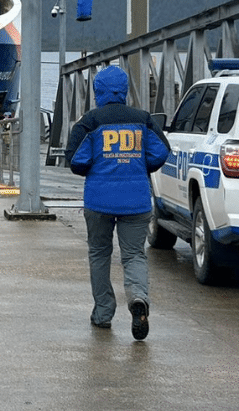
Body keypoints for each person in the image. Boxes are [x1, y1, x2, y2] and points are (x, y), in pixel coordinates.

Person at [65, 65, 169, 340]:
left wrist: (96, 168)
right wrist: (140, 166)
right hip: (135, 200)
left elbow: (75, 159)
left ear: (98, 91)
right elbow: (161, 151)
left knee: (99, 254)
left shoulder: (91, 121)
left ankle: (102, 313)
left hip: (99, 200)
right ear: (124, 90)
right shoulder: (143, 119)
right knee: (134, 255)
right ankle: (138, 299)